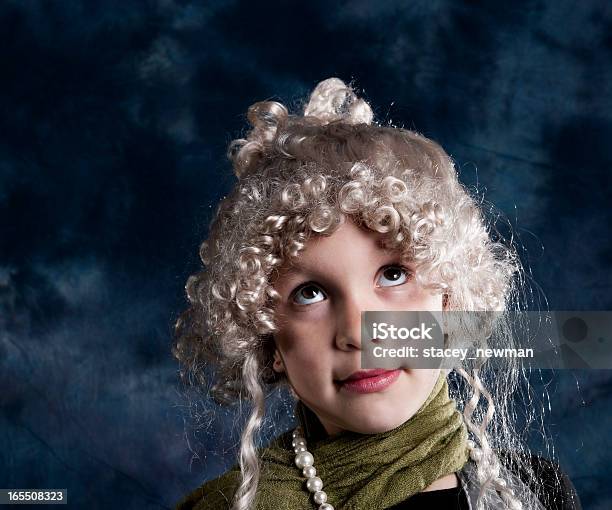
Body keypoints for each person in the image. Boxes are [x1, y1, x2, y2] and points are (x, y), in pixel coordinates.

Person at [172, 78, 582, 510]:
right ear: (268, 338)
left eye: (392, 275)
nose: (359, 332)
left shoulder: (535, 491)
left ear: (447, 302)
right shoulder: (239, 504)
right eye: (309, 293)